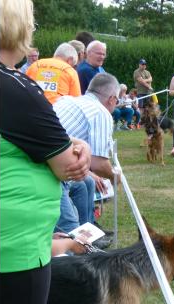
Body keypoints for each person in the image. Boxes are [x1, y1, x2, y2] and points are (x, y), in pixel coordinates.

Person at [0, 0, 91, 304]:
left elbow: (42, 139)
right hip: (12, 245)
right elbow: (67, 165)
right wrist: (74, 150)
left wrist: (65, 143)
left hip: (17, 238)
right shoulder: (11, 86)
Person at [53, 73, 120, 245]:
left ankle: (89, 231)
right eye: (117, 101)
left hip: (51, 163)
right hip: (46, 172)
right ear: (112, 99)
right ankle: (79, 241)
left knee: (86, 183)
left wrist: (90, 174)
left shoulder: (67, 100)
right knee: (70, 230)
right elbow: (98, 163)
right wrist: (114, 176)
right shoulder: (101, 112)